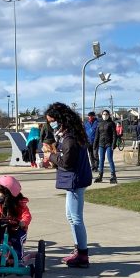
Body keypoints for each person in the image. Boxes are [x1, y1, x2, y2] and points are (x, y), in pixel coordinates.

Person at [44, 102, 93, 268]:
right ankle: (78, 249)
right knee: (71, 216)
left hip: (76, 180)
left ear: (61, 119)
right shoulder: (67, 135)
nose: (51, 124)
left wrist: (50, 156)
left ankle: (83, 254)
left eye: (52, 121)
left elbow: (67, 162)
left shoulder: (69, 138)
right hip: (74, 179)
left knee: (76, 218)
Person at [0, 175, 31, 265]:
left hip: (17, 229)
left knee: (17, 240)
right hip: (2, 228)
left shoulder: (20, 204)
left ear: (7, 193)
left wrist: (23, 222)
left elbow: (26, 215)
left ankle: (18, 258)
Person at [93, 109, 117, 184]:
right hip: (101, 144)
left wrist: (113, 144)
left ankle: (113, 175)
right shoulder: (99, 124)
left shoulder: (111, 123)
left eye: (106, 114)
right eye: (104, 114)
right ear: (102, 115)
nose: (105, 115)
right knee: (101, 160)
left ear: (109, 115)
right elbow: (97, 135)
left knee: (110, 159)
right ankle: (100, 175)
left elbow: (114, 135)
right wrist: (95, 144)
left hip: (109, 144)